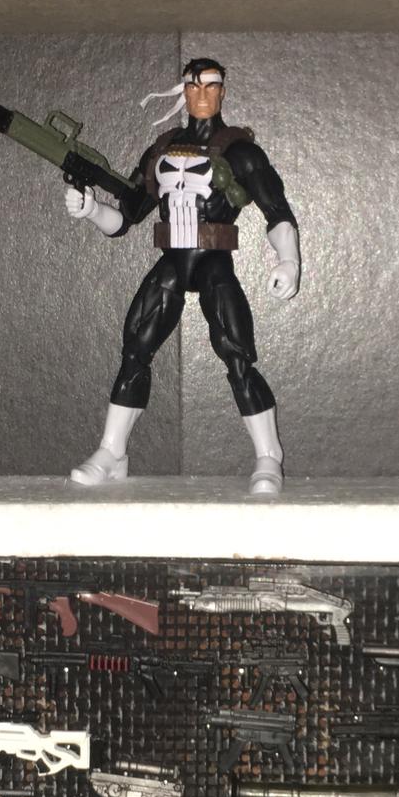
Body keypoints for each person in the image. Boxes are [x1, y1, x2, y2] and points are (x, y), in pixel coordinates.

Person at [64, 58, 300, 496]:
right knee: (135, 349)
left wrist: (288, 260)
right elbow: (125, 218)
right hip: (173, 260)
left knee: (237, 354)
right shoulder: (162, 150)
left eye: (212, 85)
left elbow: (277, 210)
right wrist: (92, 210)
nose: (203, 93)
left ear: (223, 90)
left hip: (213, 260)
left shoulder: (241, 152)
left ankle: (269, 457)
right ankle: (112, 452)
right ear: (183, 92)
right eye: (194, 85)